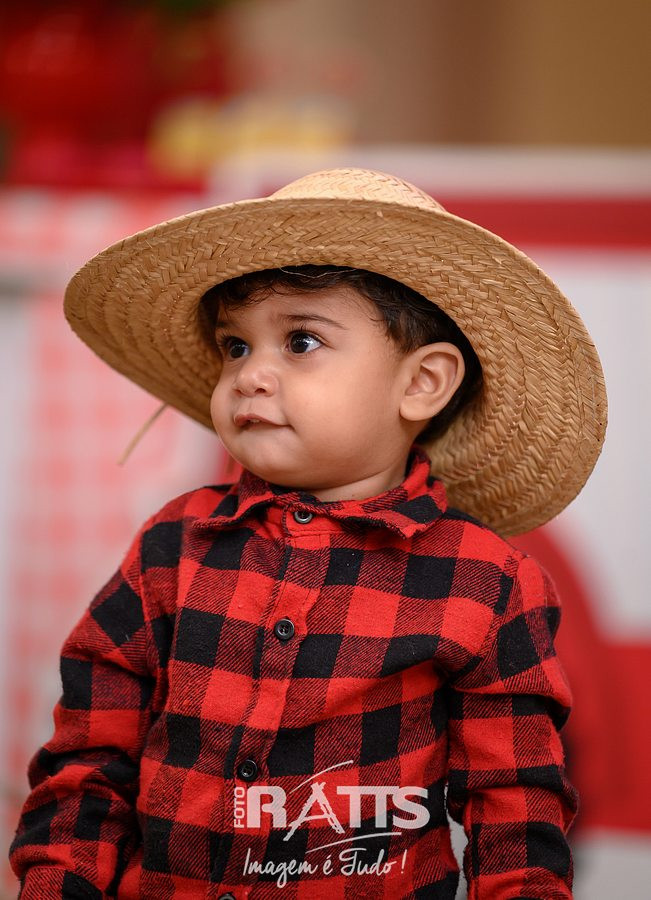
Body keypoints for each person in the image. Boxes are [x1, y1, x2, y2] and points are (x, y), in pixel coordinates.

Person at [9, 168, 607, 899]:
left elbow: (514, 806)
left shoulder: (484, 582)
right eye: (235, 346)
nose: (250, 375)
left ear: (421, 383)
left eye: (299, 340)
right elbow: (88, 760)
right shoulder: (172, 546)